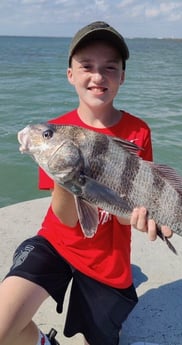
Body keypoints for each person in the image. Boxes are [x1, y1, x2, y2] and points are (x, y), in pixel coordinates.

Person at [0, 21, 172, 345]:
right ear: (70, 75)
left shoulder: (139, 132)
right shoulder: (58, 131)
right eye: (87, 66)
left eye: (110, 67)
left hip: (108, 261)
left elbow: (127, 208)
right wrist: (69, 173)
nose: (98, 76)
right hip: (56, 243)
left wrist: (142, 217)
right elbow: (66, 218)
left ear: (122, 76)